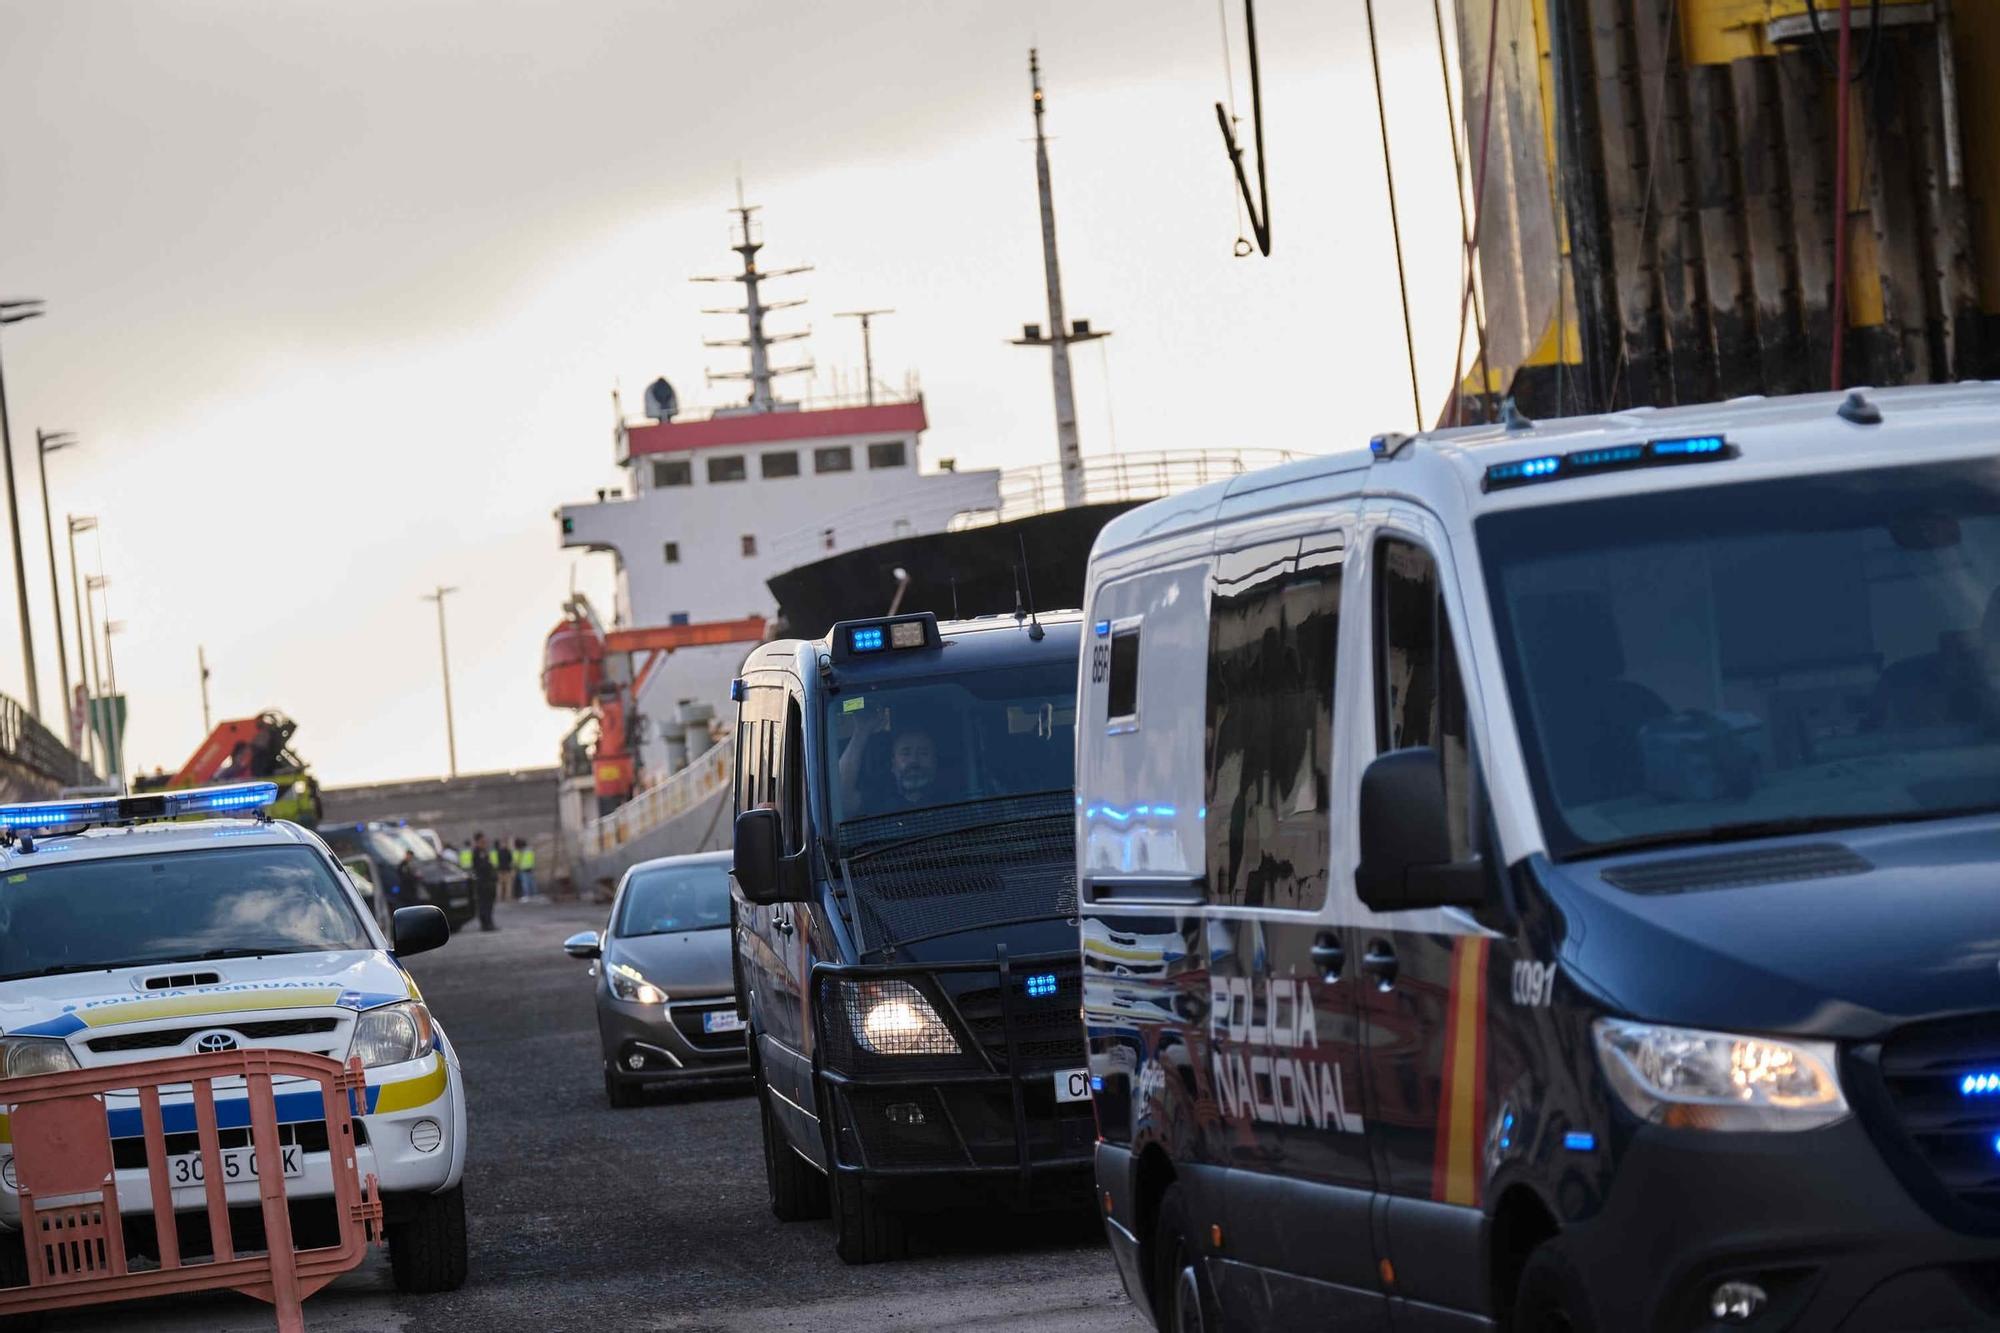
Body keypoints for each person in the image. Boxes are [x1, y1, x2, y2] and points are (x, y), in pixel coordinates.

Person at [471, 832, 498, 931]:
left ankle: (488, 923)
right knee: (484, 904)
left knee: (488, 904)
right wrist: (489, 865)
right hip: (483, 882)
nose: (485, 842)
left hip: (488, 882)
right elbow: (481, 867)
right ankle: (486, 924)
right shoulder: (478, 852)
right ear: (478, 841)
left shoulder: (483, 851)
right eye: (483, 840)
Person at [393, 850, 420, 917]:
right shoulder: (403, 865)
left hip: (411, 891)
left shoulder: (411, 864)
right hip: (405, 891)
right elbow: (403, 876)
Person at [495, 837, 515, 901]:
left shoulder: (498, 852)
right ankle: (507, 897)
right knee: (507, 884)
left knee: (500, 884)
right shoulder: (508, 851)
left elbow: (498, 860)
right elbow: (510, 860)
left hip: (500, 869)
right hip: (506, 869)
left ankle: (499, 897)